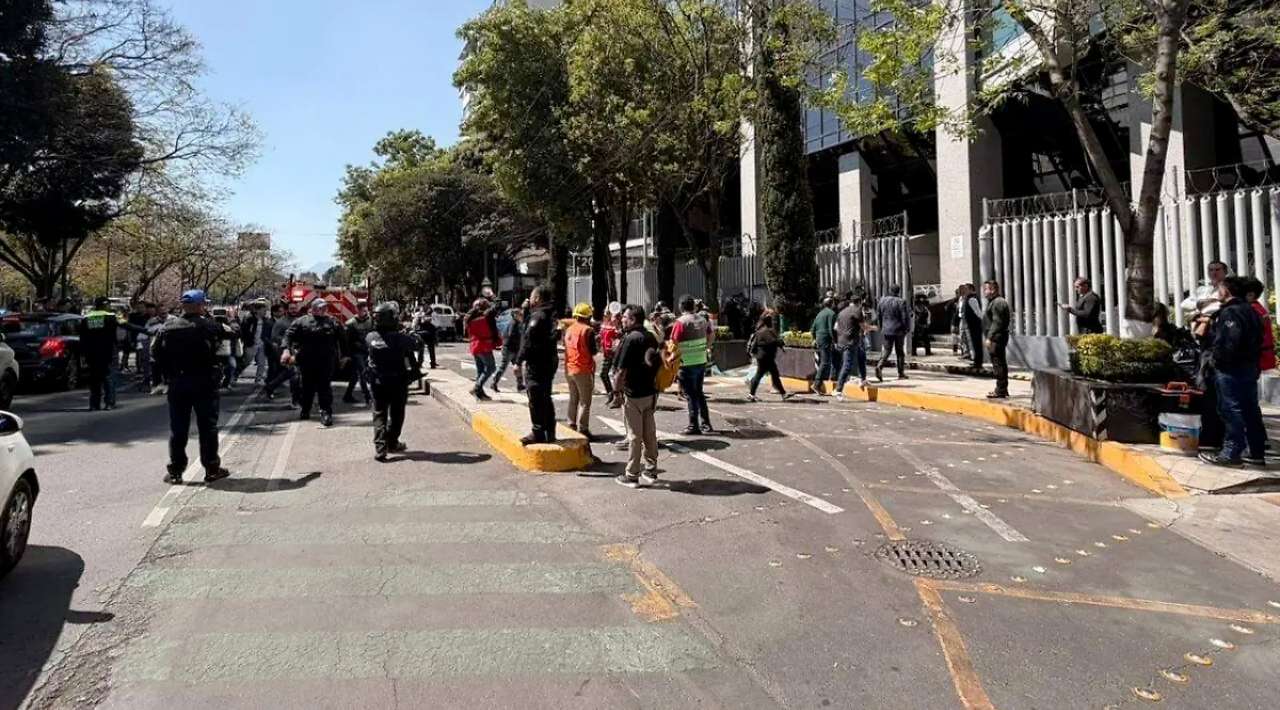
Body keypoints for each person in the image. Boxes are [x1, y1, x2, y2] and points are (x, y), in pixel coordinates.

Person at [151, 290, 230, 484]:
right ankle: (211, 469)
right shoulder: (210, 326)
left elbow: (155, 353)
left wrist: (168, 374)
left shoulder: (167, 326)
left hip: (178, 383)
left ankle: (176, 471)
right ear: (200, 305)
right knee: (208, 427)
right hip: (205, 383)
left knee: (178, 429)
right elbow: (230, 341)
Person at [1199, 276, 1265, 467]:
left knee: (1231, 409)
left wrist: (1216, 360)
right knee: (1250, 409)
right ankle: (1255, 452)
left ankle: (1231, 452)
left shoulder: (1231, 313)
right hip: (1249, 367)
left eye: (1219, 288)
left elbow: (1229, 342)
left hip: (1231, 369)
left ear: (1226, 291)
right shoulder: (1251, 311)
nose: (1217, 292)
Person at [612, 304, 661, 488]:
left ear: (632, 319)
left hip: (633, 394)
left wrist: (616, 392)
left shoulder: (630, 339)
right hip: (650, 392)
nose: (622, 319)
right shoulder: (650, 337)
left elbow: (620, 370)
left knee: (634, 435)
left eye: (625, 317)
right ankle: (651, 469)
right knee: (650, 433)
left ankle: (632, 475)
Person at [366, 302, 420, 462]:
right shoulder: (400, 338)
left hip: (378, 382)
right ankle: (392, 442)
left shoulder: (370, 337)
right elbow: (417, 344)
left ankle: (381, 448)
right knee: (397, 414)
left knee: (379, 414)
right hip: (398, 382)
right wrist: (410, 332)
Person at [282, 298, 343, 426]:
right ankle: (305, 409)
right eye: (321, 307)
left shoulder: (333, 322)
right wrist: (286, 351)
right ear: (314, 309)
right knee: (306, 387)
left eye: (325, 307)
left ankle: (326, 412)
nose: (324, 310)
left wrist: (345, 356)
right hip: (306, 360)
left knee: (324, 387)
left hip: (326, 361)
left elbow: (343, 339)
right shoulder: (302, 321)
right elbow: (288, 335)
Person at [517, 286, 559, 445]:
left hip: (537, 362)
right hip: (549, 360)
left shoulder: (538, 317)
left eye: (531, 297)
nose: (529, 300)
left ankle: (538, 431)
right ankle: (549, 430)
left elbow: (528, 340)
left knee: (535, 397)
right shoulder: (550, 314)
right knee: (545, 396)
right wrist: (527, 312)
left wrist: (518, 361)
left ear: (538, 299)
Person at [671, 295, 713, 434]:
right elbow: (711, 335)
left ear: (681, 306)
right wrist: (706, 347)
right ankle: (706, 424)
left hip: (686, 363)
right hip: (701, 361)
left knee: (690, 395)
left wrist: (672, 357)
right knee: (699, 393)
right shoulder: (702, 320)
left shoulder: (680, 322)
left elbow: (674, 342)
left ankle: (693, 425)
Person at [562, 302, 599, 438]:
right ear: (588, 316)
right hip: (582, 369)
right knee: (585, 402)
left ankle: (571, 424)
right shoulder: (587, 330)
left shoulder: (569, 329)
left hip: (569, 368)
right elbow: (593, 351)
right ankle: (583, 429)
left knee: (573, 399)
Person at [78, 297, 121, 411]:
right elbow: (126, 325)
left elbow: (82, 336)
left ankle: (94, 404)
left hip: (92, 353)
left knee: (94, 378)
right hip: (108, 351)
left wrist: (83, 353)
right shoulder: (111, 317)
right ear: (106, 305)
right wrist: (146, 330)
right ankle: (109, 403)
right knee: (108, 377)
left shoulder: (86, 317)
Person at [746, 314, 791, 402]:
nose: (773, 322)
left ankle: (783, 393)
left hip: (762, 357)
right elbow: (774, 341)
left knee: (771, 375)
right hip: (767, 357)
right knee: (768, 375)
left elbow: (755, 345)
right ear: (768, 321)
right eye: (771, 320)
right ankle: (751, 394)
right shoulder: (768, 331)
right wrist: (781, 343)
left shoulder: (759, 331)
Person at [465, 298, 501, 400]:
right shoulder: (485, 316)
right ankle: (477, 387)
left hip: (475, 346)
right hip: (484, 346)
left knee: (480, 371)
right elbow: (494, 309)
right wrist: (495, 299)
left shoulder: (470, 318)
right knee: (491, 367)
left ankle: (480, 394)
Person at [833, 296, 869, 400]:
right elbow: (863, 327)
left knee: (861, 356)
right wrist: (873, 328)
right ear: (860, 302)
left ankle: (863, 380)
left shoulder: (842, 312)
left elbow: (835, 328)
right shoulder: (857, 310)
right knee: (847, 365)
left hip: (843, 341)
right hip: (850, 342)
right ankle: (838, 390)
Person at [875, 285, 912, 381]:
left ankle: (880, 365)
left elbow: (878, 315)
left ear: (890, 290)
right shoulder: (901, 301)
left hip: (886, 329)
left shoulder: (882, 301)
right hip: (899, 330)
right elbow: (904, 317)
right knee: (900, 352)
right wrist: (907, 328)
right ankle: (901, 373)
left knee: (887, 350)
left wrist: (881, 327)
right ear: (898, 291)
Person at [982, 280, 1012, 399]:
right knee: (999, 362)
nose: (985, 292)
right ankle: (1002, 389)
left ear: (993, 290)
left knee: (998, 363)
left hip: (997, 338)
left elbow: (997, 322)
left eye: (986, 289)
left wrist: (990, 337)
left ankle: (1000, 390)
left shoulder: (998, 303)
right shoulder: (994, 302)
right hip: (997, 337)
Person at [343, 301, 374, 405]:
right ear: (357, 311)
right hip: (356, 352)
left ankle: (347, 395)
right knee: (362, 373)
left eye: (366, 311)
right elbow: (347, 341)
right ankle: (367, 396)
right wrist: (347, 355)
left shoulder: (371, 321)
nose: (365, 313)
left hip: (368, 350)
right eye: (363, 311)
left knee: (355, 376)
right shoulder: (351, 323)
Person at [1244, 277, 1276, 373]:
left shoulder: (1252, 310)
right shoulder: (1257, 308)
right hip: (1263, 359)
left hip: (1259, 361)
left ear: (1251, 294)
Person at [493, 306, 525, 393]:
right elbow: (510, 336)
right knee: (503, 367)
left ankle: (520, 384)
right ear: (515, 315)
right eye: (520, 314)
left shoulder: (518, 323)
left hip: (514, 349)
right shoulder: (513, 324)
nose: (522, 315)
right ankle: (494, 383)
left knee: (518, 367)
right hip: (509, 349)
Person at [810, 297, 837, 394]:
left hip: (819, 339)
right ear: (832, 304)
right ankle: (816, 384)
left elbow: (813, 329)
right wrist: (835, 341)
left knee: (824, 361)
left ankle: (820, 382)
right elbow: (832, 329)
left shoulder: (819, 314)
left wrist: (814, 339)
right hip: (826, 339)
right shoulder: (832, 314)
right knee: (825, 362)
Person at [599, 302, 622, 398]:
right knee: (604, 374)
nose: (606, 314)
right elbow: (602, 336)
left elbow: (619, 336)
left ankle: (618, 396)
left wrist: (616, 324)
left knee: (616, 375)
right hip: (606, 353)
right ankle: (611, 393)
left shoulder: (617, 324)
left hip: (614, 353)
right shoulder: (604, 324)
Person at [962, 283, 984, 369]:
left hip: (975, 324)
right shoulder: (969, 298)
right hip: (972, 324)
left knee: (977, 343)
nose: (965, 291)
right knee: (974, 343)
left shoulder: (972, 299)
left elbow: (978, 312)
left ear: (971, 289)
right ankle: (976, 361)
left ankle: (978, 362)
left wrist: (983, 321)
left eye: (966, 289)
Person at [412, 305, 440, 369]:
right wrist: (419, 318)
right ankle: (420, 363)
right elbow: (414, 324)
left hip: (430, 333)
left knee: (431, 349)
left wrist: (430, 320)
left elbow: (437, 324)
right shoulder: (419, 314)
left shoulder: (433, 314)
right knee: (420, 349)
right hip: (422, 333)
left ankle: (432, 363)